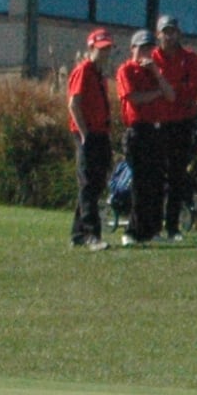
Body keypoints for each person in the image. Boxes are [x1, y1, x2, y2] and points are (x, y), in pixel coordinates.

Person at [115, 30, 181, 246]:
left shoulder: (155, 71)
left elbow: (171, 95)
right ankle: (133, 231)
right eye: (142, 48)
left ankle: (153, 230)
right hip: (137, 131)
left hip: (157, 131)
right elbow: (134, 98)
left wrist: (157, 73)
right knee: (141, 184)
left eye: (149, 48)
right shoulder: (126, 70)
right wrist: (157, 93)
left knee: (157, 182)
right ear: (132, 49)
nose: (146, 52)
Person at [152, 16, 197, 240]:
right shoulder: (151, 58)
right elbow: (151, 90)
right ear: (158, 34)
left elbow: (193, 89)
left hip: (183, 122)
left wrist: (168, 90)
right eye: (165, 31)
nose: (169, 35)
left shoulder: (190, 58)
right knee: (155, 176)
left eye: (172, 31)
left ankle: (172, 227)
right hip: (158, 123)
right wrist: (174, 91)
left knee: (177, 175)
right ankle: (153, 226)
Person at [65, 28, 115, 250]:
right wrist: (84, 133)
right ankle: (91, 234)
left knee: (96, 183)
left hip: (100, 133)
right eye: (100, 49)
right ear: (91, 48)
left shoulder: (99, 74)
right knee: (87, 183)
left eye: (107, 49)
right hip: (88, 133)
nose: (104, 53)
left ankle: (78, 233)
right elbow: (73, 103)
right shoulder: (83, 71)